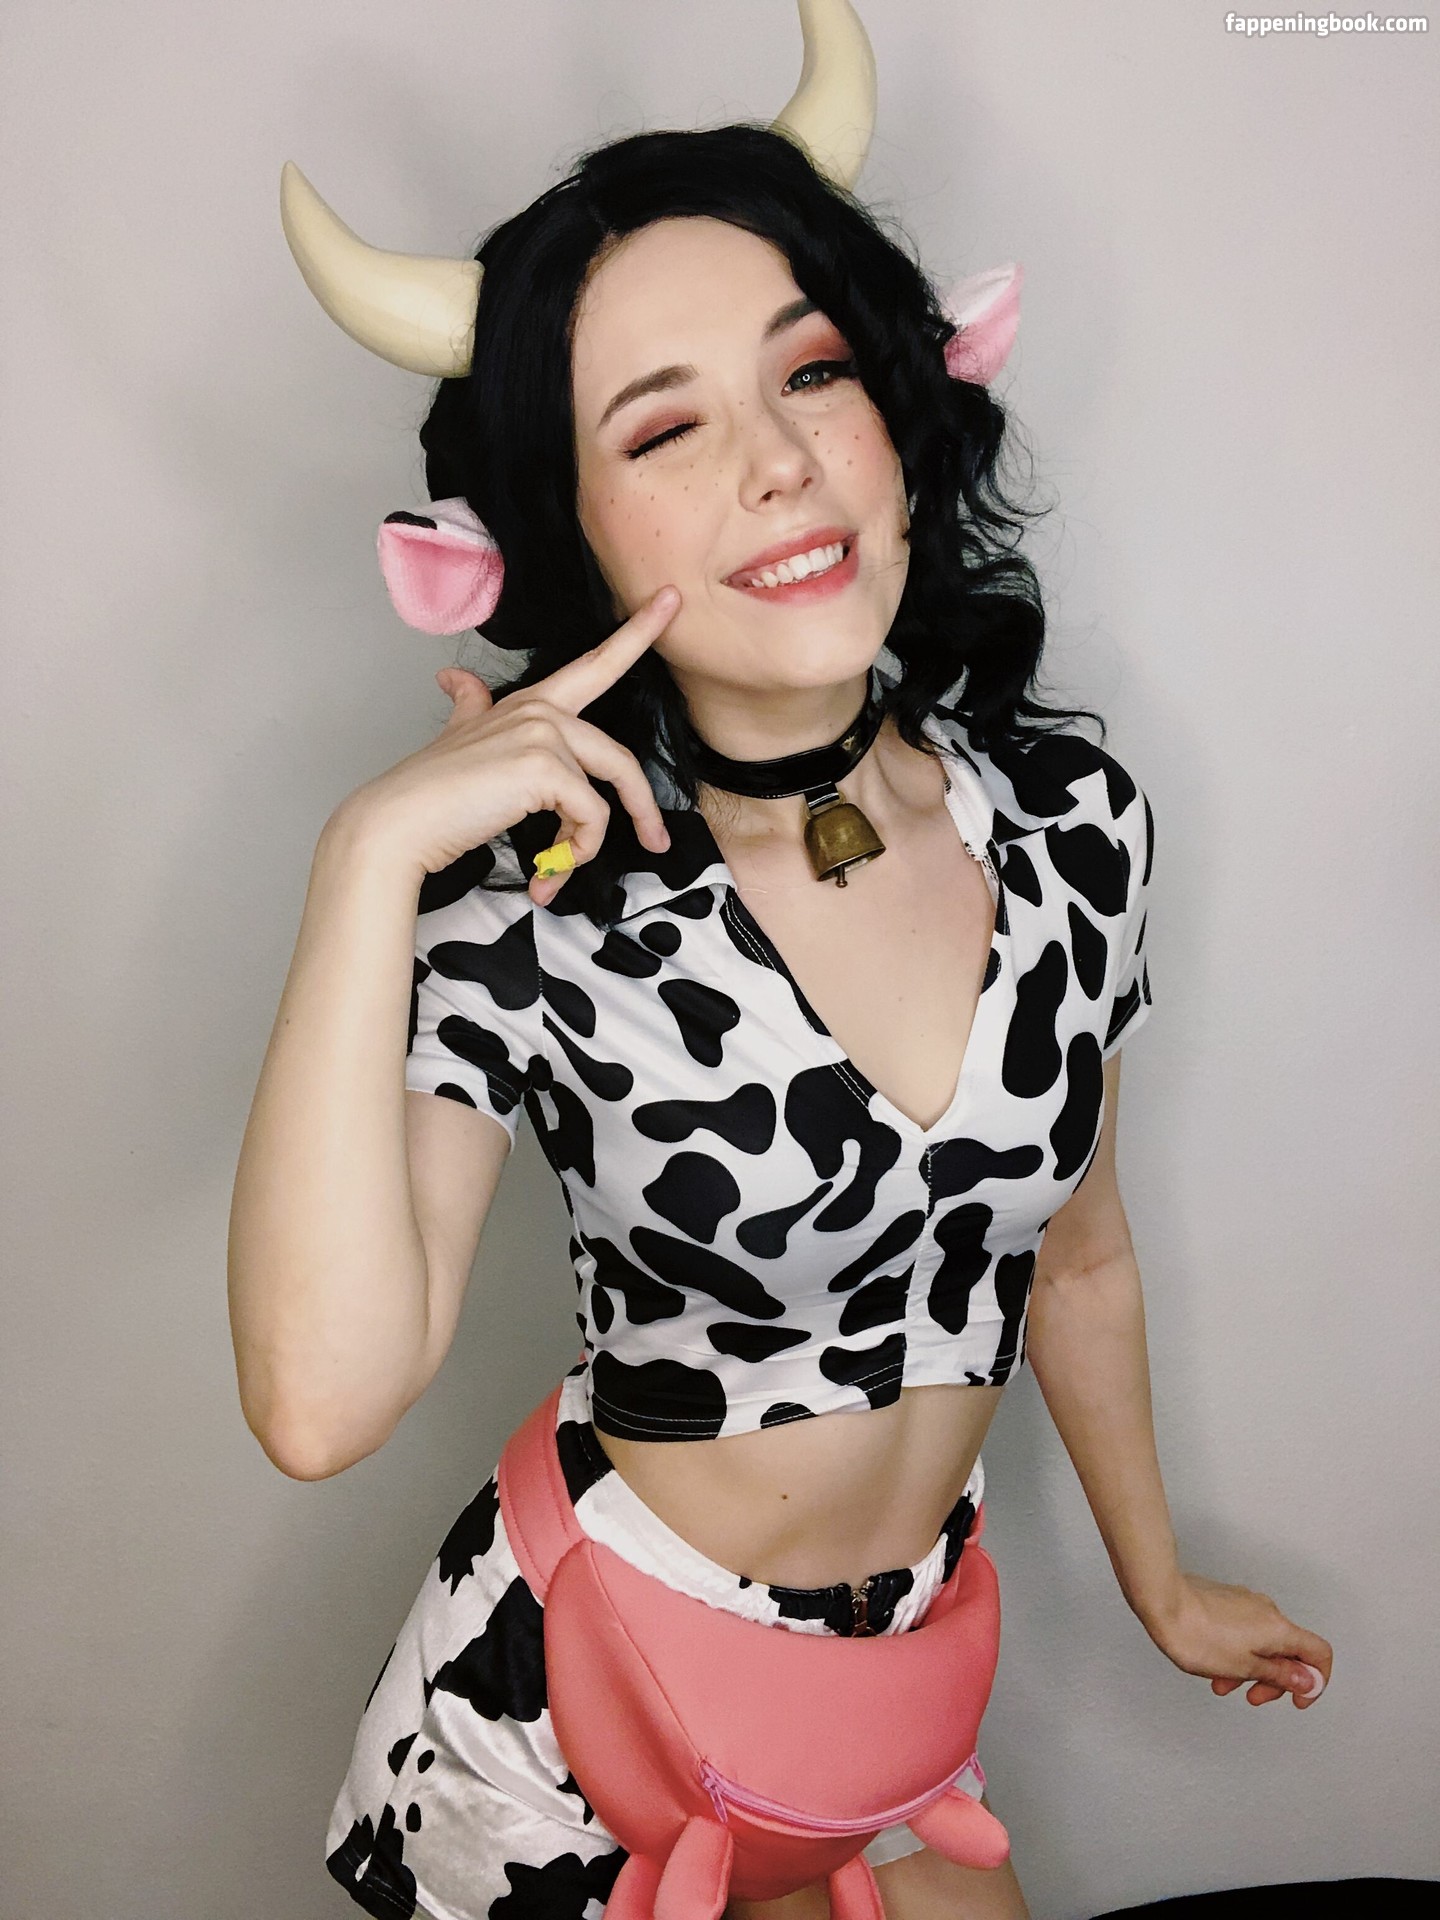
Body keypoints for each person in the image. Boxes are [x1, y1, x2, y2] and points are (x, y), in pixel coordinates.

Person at [229, 17, 1333, 1920]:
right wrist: (366, 865)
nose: (779, 464)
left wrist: (1157, 1583)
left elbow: (1079, 1256)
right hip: (570, 1721)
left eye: (813, 373)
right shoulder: (533, 904)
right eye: (663, 428)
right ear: (567, 528)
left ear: (902, 413)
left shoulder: (1075, 826)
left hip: (886, 1698)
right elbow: (321, 1406)